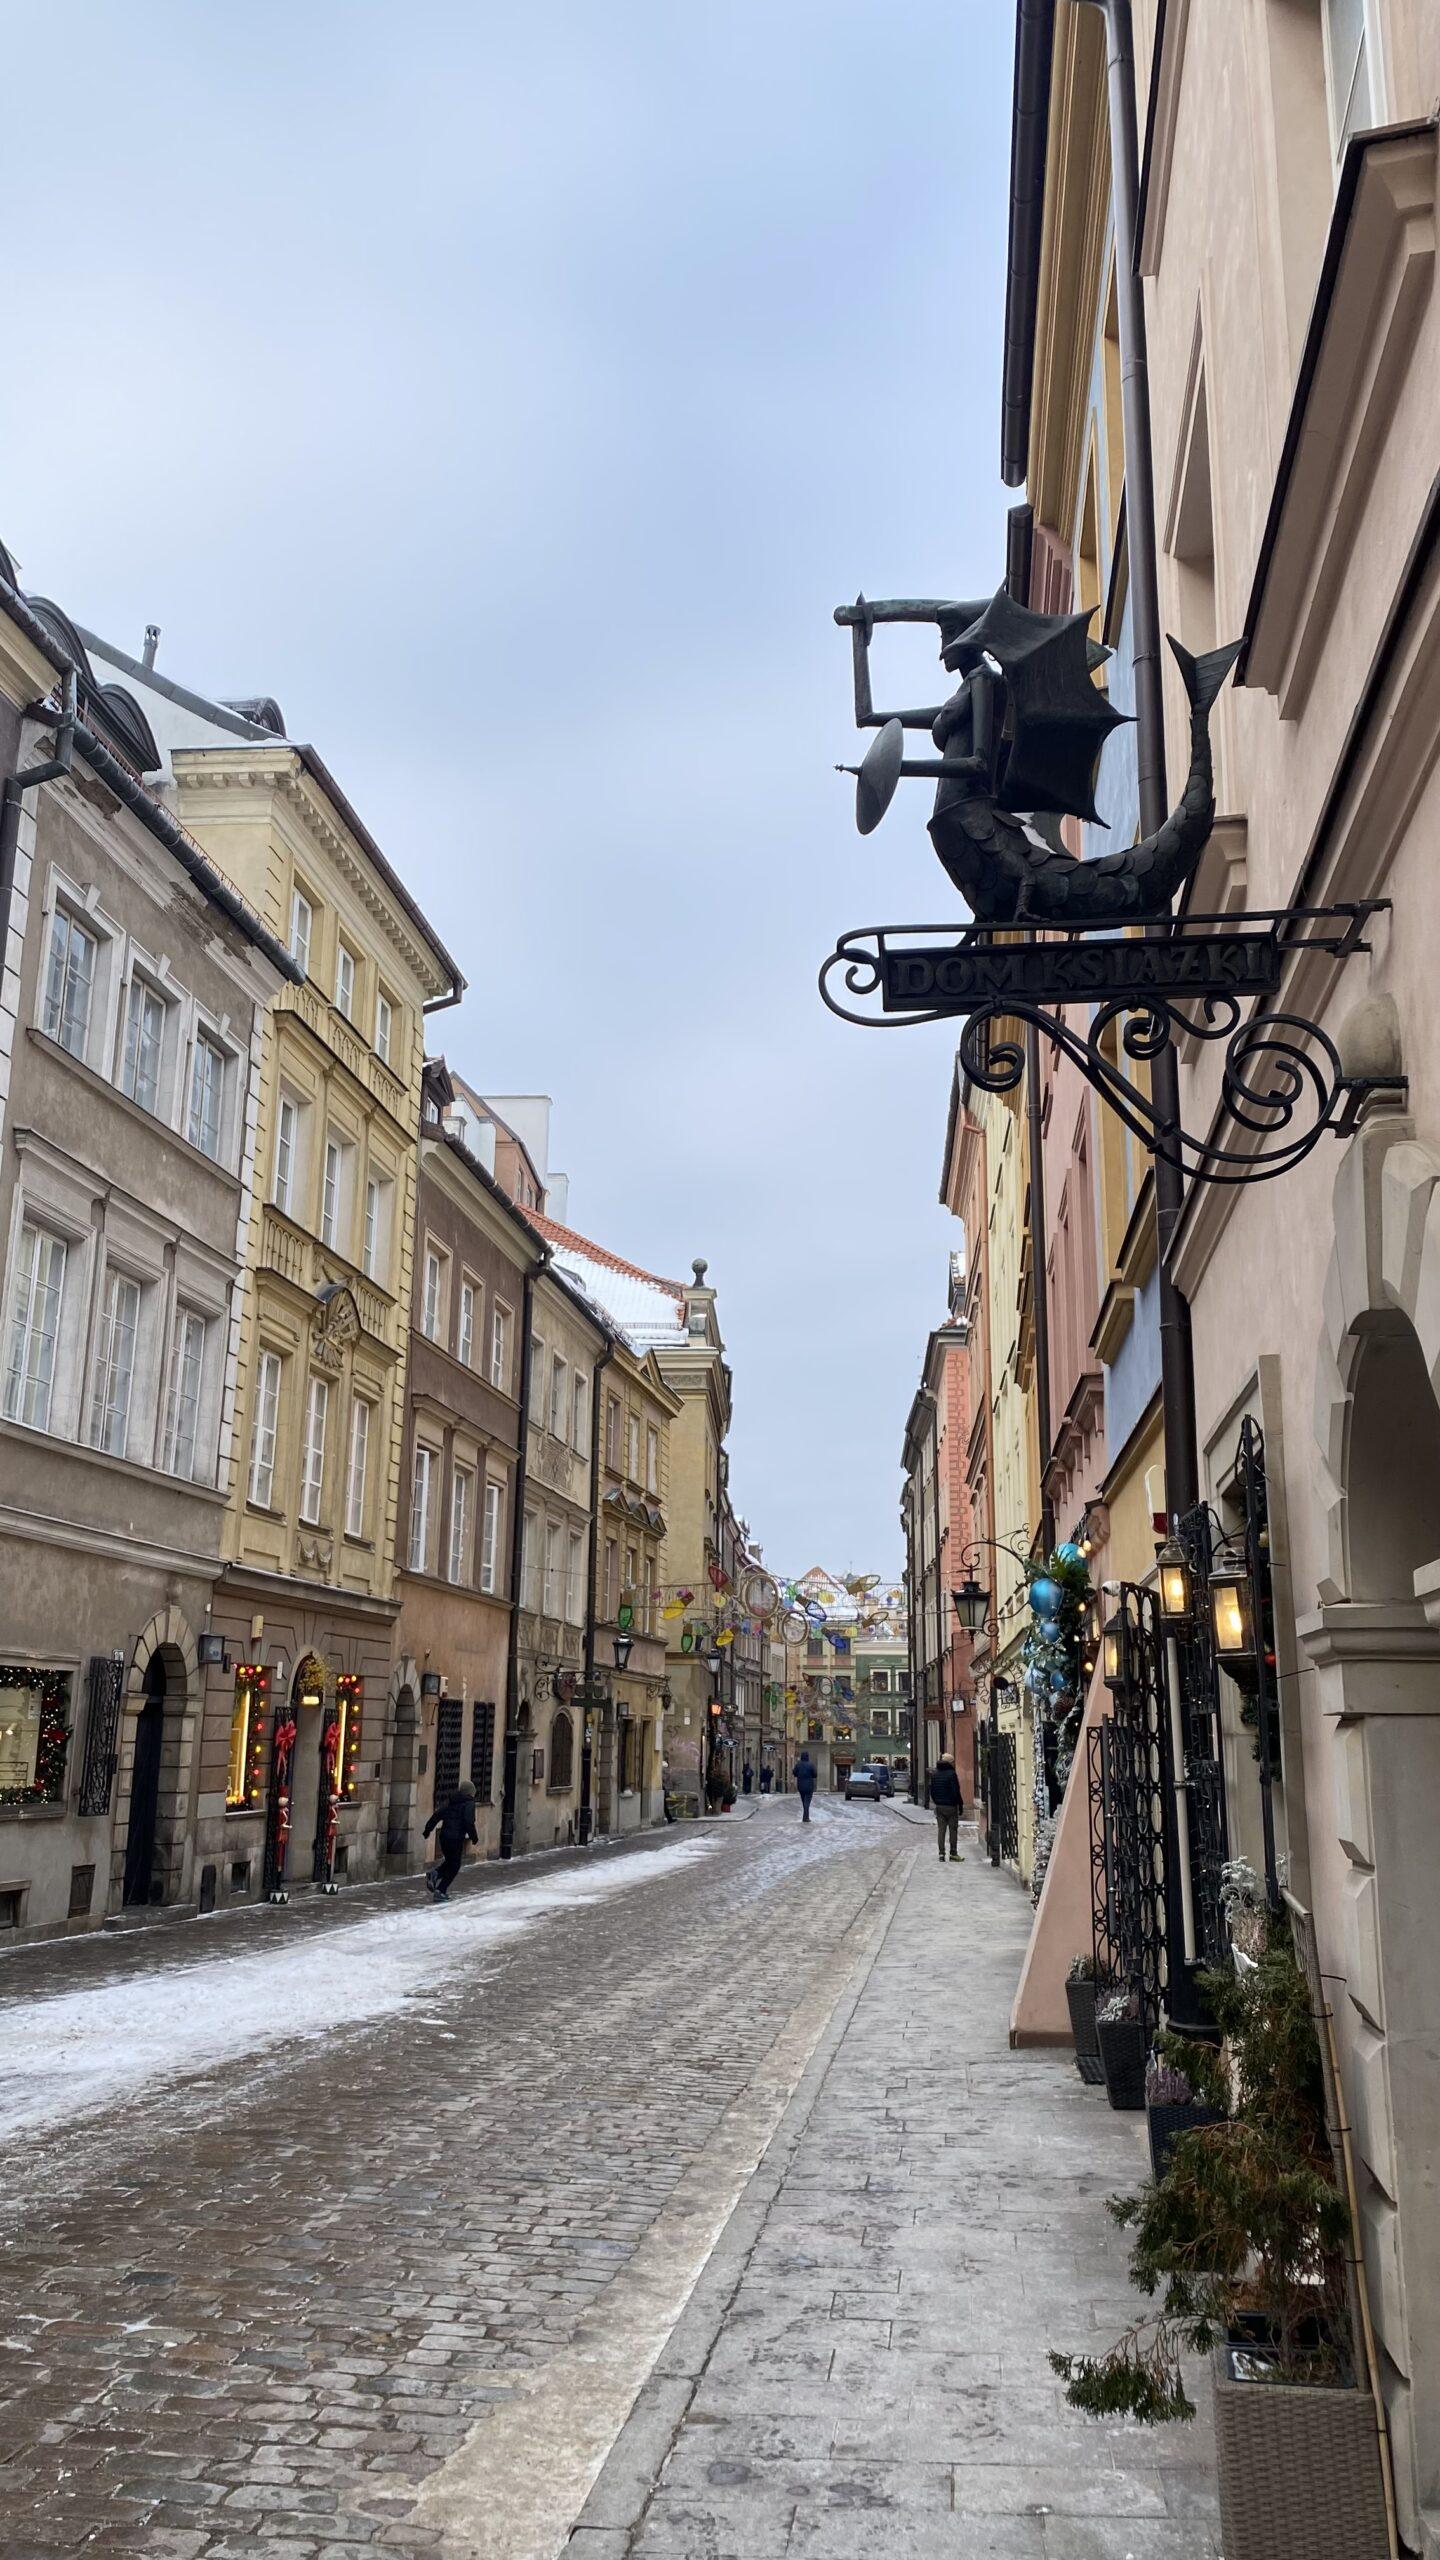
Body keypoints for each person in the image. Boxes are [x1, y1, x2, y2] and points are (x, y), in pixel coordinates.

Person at [423, 1778, 478, 1900]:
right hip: (455, 1838)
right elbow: (469, 1822)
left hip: (444, 1837)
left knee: (450, 1862)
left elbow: (437, 1815)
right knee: (455, 1865)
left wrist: (428, 1829)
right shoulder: (469, 1804)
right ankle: (440, 1890)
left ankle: (435, 1875)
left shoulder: (451, 1801)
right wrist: (474, 1837)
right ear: (470, 1792)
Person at [928, 1753, 964, 1863]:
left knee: (941, 1831)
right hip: (951, 1806)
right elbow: (956, 1791)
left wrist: (937, 1801)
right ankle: (953, 1853)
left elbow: (932, 1791)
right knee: (953, 1830)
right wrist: (960, 1804)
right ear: (950, 1762)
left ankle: (941, 1854)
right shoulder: (952, 1774)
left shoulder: (935, 1774)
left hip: (939, 1806)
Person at [794, 1749, 817, 1822]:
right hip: (809, 1786)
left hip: (800, 1786)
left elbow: (794, 1773)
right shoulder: (811, 1764)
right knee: (807, 1802)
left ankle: (805, 1817)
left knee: (804, 1801)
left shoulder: (798, 1764)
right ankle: (806, 1817)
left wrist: (799, 1775)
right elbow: (815, 1774)